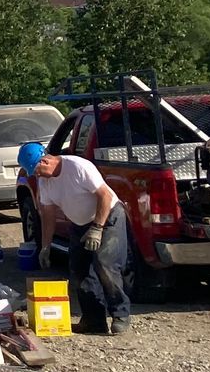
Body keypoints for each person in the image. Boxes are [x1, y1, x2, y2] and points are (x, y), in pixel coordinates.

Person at [18, 141, 130, 336]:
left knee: (104, 264)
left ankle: (120, 315)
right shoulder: (45, 182)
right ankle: (94, 321)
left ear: (45, 160)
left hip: (108, 216)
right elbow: (48, 215)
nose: (36, 175)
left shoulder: (78, 167)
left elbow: (104, 196)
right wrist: (45, 246)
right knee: (79, 270)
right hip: (80, 224)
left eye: (36, 170)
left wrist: (97, 228)